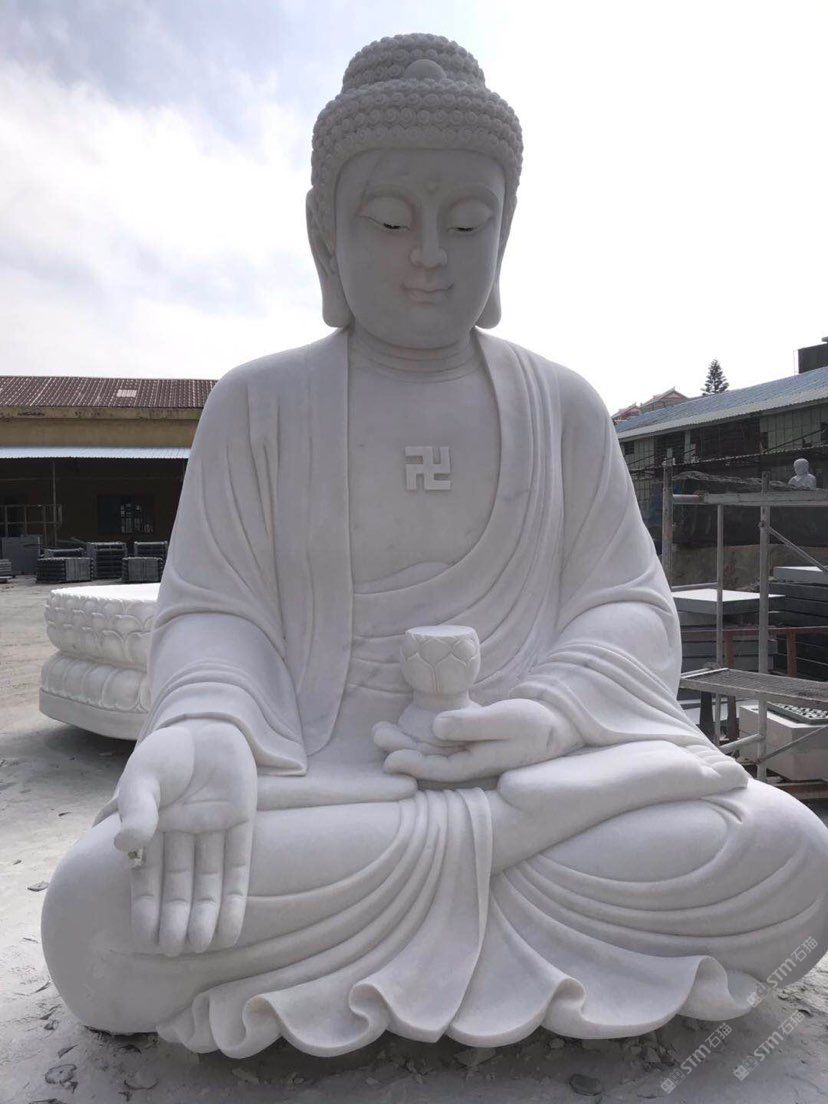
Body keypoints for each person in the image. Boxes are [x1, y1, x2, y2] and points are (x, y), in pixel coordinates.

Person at [43, 34, 828, 1059]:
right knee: (95, 918)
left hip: (537, 784)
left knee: (792, 853)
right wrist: (207, 726)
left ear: (507, 229)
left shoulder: (563, 407)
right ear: (325, 235)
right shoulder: (258, 405)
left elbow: (627, 606)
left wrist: (551, 715)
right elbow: (219, 611)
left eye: (467, 222)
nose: (429, 255)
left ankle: (492, 863)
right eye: (387, 221)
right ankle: (505, 866)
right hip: (331, 796)